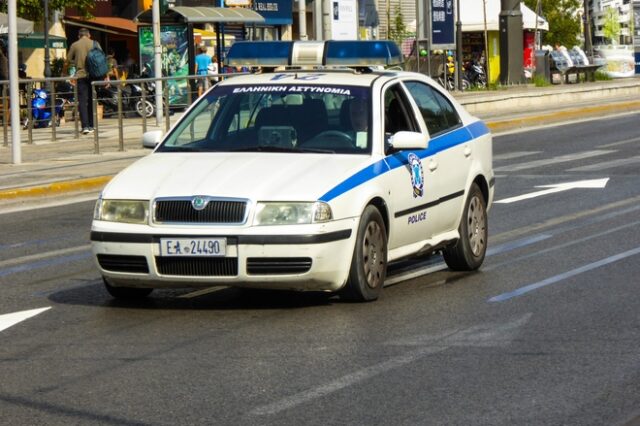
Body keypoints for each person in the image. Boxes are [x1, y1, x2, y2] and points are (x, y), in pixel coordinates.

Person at [66, 28, 106, 135]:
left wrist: (76, 62)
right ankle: (92, 125)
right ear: (89, 35)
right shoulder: (95, 43)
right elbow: (102, 59)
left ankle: (85, 126)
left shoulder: (75, 45)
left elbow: (68, 59)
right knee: (92, 100)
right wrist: (105, 76)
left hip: (81, 76)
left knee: (83, 101)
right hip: (94, 76)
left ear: (79, 36)